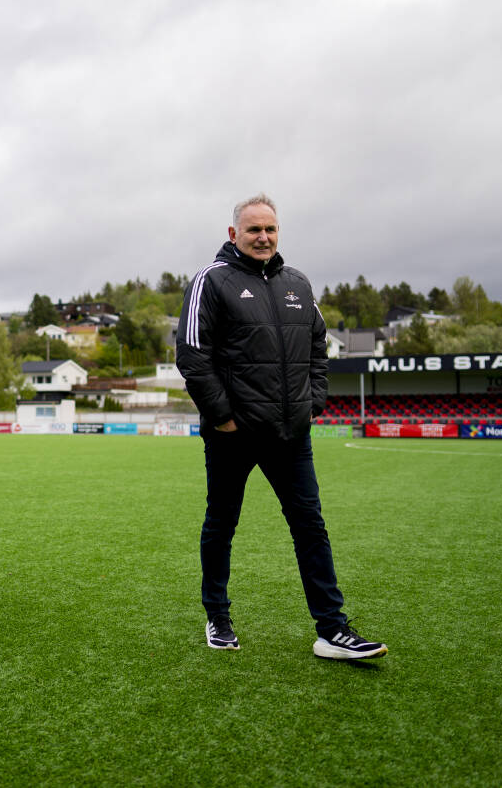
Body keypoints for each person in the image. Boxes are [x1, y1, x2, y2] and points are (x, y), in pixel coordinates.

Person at [176, 194, 387, 660]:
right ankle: (218, 616)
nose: (263, 237)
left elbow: (318, 346)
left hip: (291, 434)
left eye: (270, 229)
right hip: (233, 435)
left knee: (311, 526)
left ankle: (332, 630)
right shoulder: (211, 281)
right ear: (234, 234)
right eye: (253, 230)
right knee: (222, 524)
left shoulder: (297, 283)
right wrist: (223, 418)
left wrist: (313, 402)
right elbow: (192, 355)